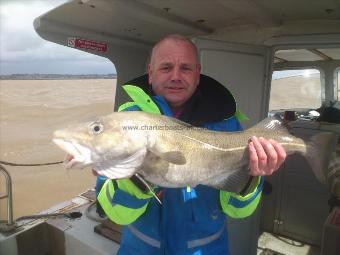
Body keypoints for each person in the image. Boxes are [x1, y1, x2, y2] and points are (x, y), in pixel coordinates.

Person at [96, 34, 286, 255]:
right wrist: (135, 180)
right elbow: (116, 214)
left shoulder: (227, 124)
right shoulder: (125, 121)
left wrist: (253, 177)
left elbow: (237, 211)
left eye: (185, 68)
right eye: (166, 67)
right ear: (150, 73)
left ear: (197, 74)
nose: (176, 76)